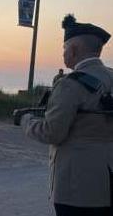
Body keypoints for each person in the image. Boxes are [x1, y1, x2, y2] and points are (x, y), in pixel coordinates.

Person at [21, 14, 113, 216]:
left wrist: (27, 121)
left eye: (64, 48)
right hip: (108, 180)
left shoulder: (70, 84)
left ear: (73, 49)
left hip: (77, 186)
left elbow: (53, 133)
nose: (63, 53)